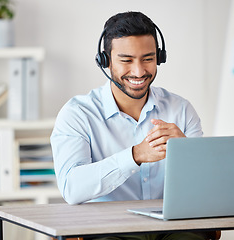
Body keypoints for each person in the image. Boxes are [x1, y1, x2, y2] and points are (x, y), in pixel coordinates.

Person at [51, 11, 204, 240]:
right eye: (126, 60)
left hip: (173, 228)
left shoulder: (181, 110)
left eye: (148, 59)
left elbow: (205, 189)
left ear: (159, 57)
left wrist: (188, 156)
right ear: (105, 61)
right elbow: (72, 188)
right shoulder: (77, 114)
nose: (139, 71)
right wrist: (135, 155)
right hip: (109, 230)